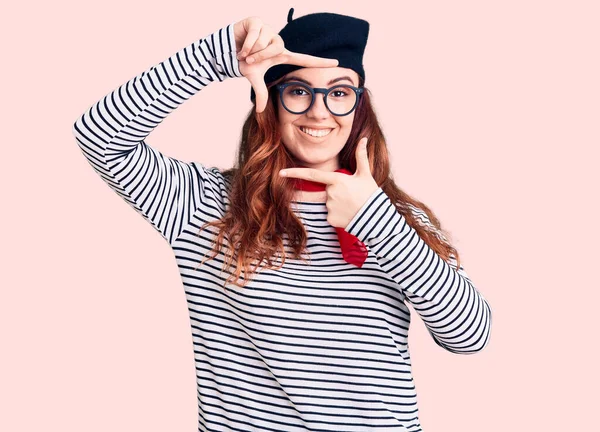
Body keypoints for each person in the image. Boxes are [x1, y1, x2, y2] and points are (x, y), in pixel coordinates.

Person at [72, 8, 492, 432]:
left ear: (359, 106)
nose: (319, 112)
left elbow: (470, 335)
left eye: (340, 93)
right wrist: (220, 54)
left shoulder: (395, 217)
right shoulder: (204, 205)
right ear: (270, 100)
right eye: (298, 91)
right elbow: (99, 136)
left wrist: (375, 220)